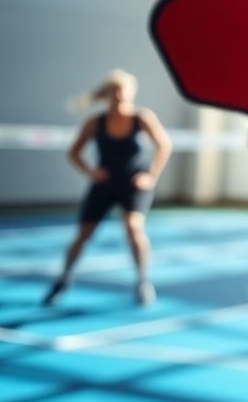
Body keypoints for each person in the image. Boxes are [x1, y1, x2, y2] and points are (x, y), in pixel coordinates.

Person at [44, 70, 171, 307]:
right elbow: (74, 152)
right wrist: (91, 172)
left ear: (132, 94)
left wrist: (150, 176)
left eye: (123, 93)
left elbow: (163, 145)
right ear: (107, 96)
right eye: (114, 93)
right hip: (104, 184)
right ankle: (63, 278)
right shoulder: (95, 122)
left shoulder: (141, 118)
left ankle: (143, 280)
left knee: (133, 228)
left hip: (133, 185)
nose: (119, 98)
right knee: (83, 234)